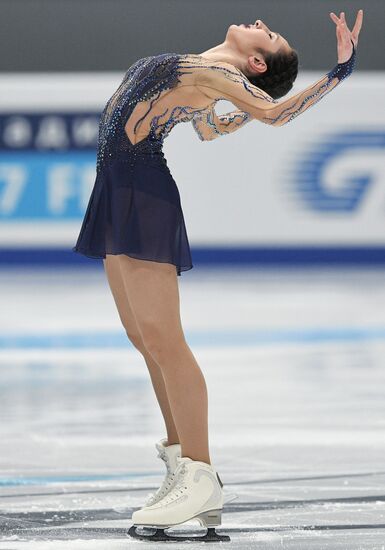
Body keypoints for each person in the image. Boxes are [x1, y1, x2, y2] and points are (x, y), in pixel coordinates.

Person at [72, 10, 363, 541]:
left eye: (269, 35)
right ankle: (182, 466)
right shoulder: (208, 76)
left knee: (166, 339)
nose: (260, 20)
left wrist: (338, 73)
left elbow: (274, 114)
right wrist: (244, 109)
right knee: (144, 338)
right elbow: (211, 129)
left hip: (143, 190)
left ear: (255, 61)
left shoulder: (223, 77)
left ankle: (202, 474)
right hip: (116, 188)